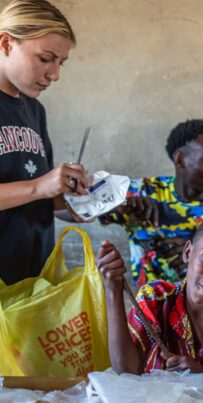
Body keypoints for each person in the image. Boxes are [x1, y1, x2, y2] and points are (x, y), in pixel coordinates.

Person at [96, 216, 203, 375]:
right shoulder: (154, 299)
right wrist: (113, 288)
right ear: (188, 253)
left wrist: (202, 375)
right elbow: (126, 372)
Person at [100, 119, 203, 286]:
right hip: (149, 305)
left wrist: (202, 259)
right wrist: (122, 206)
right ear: (180, 160)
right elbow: (76, 210)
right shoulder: (145, 191)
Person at [0, 0, 89, 285]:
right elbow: (36, 186)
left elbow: (35, 191)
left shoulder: (34, 110)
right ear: (5, 43)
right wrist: (41, 186)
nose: (55, 74)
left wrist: (74, 203)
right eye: (45, 58)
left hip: (34, 277)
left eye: (60, 63)